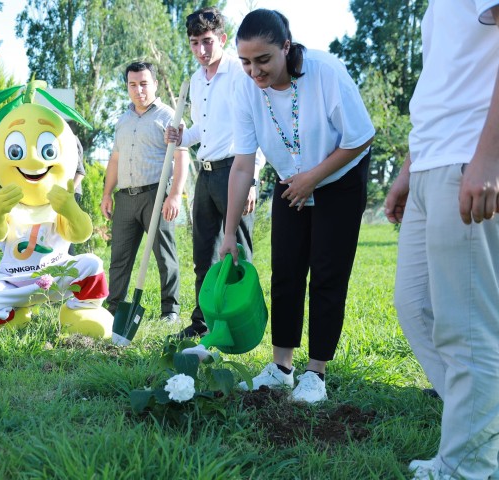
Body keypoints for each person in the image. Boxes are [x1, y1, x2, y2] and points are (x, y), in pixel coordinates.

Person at [218, 9, 374, 404]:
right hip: (291, 180)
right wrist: (228, 234)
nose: (254, 71)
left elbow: (360, 138)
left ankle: (316, 373)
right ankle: (281, 367)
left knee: (326, 273)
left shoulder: (327, 71)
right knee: (286, 271)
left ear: (286, 47)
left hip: (340, 176)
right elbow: (241, 166)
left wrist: (314, 177)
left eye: (264, 59)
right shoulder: (244, 88)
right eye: (246, 62)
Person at [384, 2, 499, 478]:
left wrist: (489, 157)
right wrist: (407, 171)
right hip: (431, 161)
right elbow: (443, 82)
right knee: (415, 306)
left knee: (467, 327)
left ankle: (470, 464)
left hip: (469, 156)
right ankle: (481, 431)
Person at [165, 7, 264, 339]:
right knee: (203, 254)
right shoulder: (195, 79)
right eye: (194, 43)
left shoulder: (239, 73)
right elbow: (201, 130)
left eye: (207, 42)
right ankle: (202, 323)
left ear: (222, 38)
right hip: (205, 175)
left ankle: (242, 324)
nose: (201, 50)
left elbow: (257, 124)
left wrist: (252, 179)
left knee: (238, 253)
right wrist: (182, 136)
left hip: (236, 170)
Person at [101, 62, 189, 323]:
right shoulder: (122, 120)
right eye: (132, 84)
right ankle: (114, 306)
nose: (138, 90)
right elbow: (115, 159)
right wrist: (107, 193)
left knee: (164, 254)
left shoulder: (169, 117)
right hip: (126, 196)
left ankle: (169, 309)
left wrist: (174, 195)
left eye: (143, 83)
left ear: (155, 85)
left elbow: (181, 157)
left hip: (156, 195)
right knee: (119, 256)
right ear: (127, 86)